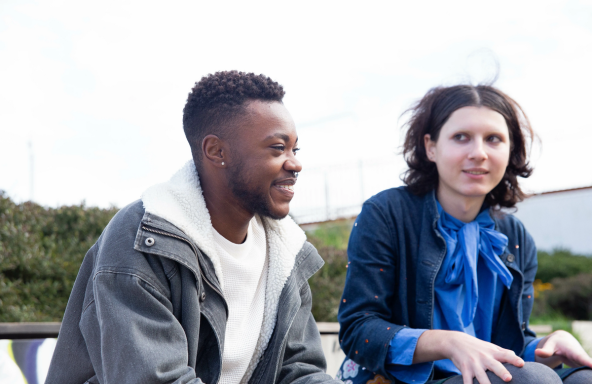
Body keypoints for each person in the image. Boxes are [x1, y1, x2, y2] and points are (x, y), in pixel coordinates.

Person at [46, 71, 342, 384]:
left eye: (295, 150)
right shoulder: (142, 238)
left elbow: (299, 371)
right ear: (216, 151)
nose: (294, 164)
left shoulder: (286, 254)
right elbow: (156, 379)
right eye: (277, 148)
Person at [335, 85, 592, 384]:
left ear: (510, 150)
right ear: (431, 146)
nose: (478, 153)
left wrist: (544, 346)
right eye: (461, 137)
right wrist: (447, 342)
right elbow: (358, 330)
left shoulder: (515, 235)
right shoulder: (387, 214)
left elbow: (509, 343)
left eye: (493, 139)